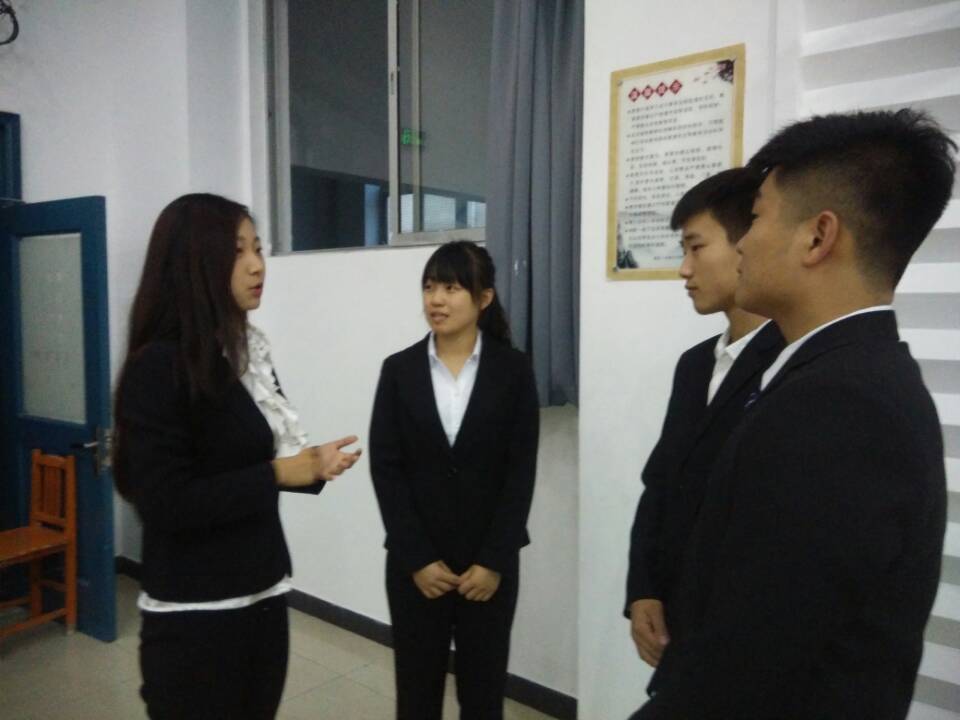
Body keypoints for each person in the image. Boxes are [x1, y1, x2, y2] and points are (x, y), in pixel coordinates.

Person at [632, 109, 954, 719]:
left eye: (755, 218)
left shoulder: (840, 407)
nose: (743, 242)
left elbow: (750, 666)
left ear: (817, 236)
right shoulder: (844, 375)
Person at [112, 193, 362, 719]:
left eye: (258, 248)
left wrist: (311, 465)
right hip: (196, 618)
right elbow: (166, 503)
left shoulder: (245, 352)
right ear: (193, 263)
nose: (256, 265)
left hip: (262, 595)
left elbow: (253, 455)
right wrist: (278, 472)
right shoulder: (158, 366)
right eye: (237, 251)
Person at [369, 240, 539, 720]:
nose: (436, 300)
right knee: (416, 693)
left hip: (488, 568)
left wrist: (493, 561)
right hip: (416, 567)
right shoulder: (399, 370)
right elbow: (386, 469)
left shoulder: (514, 370)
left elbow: (520, 472)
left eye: (450, 288)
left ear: (484, 298)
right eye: (429, 287)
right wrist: (417, 558)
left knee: (483, 696)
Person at [625, 168, 784, 676]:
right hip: (677, 618)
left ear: (749, 243)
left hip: (740, 637)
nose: (684, 269)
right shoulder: (695, 365)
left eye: (696, 248)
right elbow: (661, 483)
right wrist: (643, 588)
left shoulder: (792, 367)